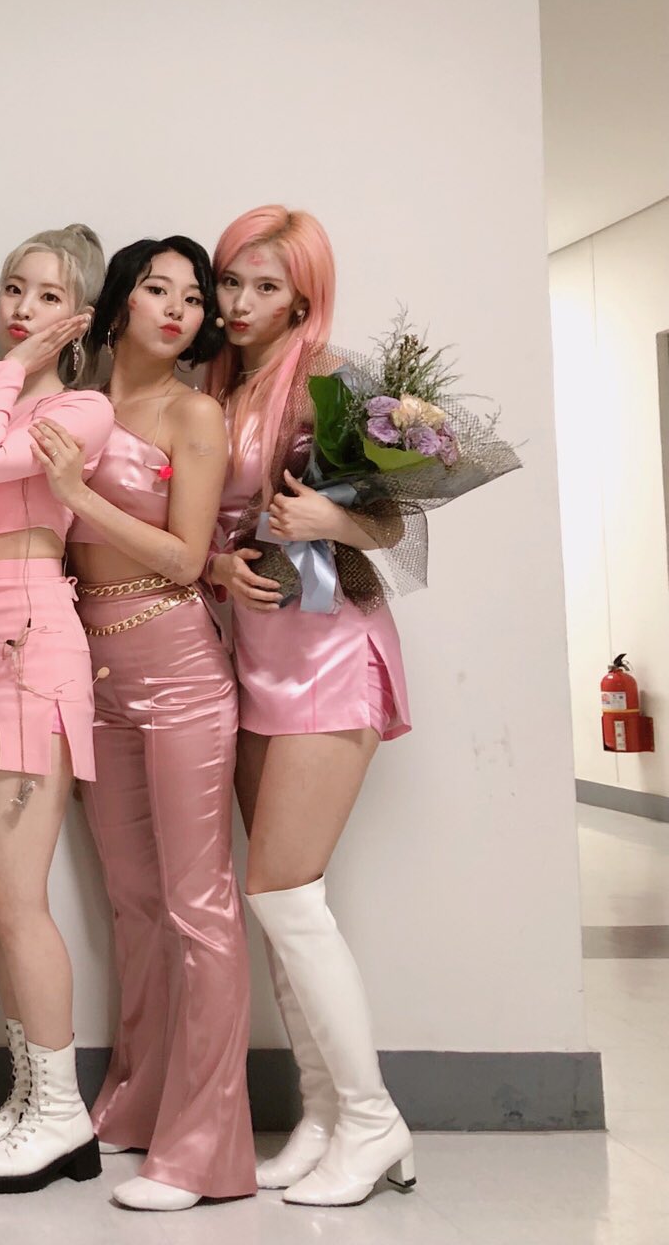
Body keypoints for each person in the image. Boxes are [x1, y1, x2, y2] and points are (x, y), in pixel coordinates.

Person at [35, 236, 256, 1211]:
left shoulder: (192, 411)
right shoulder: (75, 405)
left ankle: (205, 1153)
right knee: (132, 901)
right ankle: (137, 1103)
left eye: (194, 297)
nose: (178, 308)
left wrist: (76, 493)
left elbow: (184, 555)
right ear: (119, 301)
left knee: (198, 905)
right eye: (157, 289)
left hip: (178, 670)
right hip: (93, 669)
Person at [206, 205, 415, 1207]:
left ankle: (372, 1121)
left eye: (266, 286)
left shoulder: (333, 379)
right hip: (256, 658)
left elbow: (391, 523)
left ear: (302, 295)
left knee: (284, 895)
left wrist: (327, 515)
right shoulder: (221, 386)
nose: (241, 303)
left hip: (331, 654)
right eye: (231, 282)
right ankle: (325, 1115)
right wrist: (220, 566)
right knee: (280, 901)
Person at [0, 226, 113, 1194]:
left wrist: (8, 371)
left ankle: (61, 1113)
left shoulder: (81, 409)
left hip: (30, 637)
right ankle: (27, 1097)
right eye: (14, 288)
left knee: (17, 897)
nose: (24, 308)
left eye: (49, 296)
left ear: (78, 319)